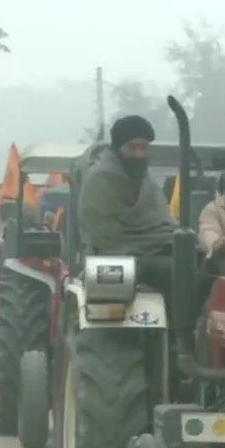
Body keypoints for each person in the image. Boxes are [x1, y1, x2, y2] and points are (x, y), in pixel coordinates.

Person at [77, 115, 193, 348]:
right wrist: (156, 245)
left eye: (144, 147)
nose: (140, 154)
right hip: (117, 256)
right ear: (118, 147)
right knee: (178, 272)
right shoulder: (101, 179)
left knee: (203, 268)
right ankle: (180, 339)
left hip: (154, 250)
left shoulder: (146, 181)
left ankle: (197, 334)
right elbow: (105, 233)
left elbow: (160, 223)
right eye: (132, 147)